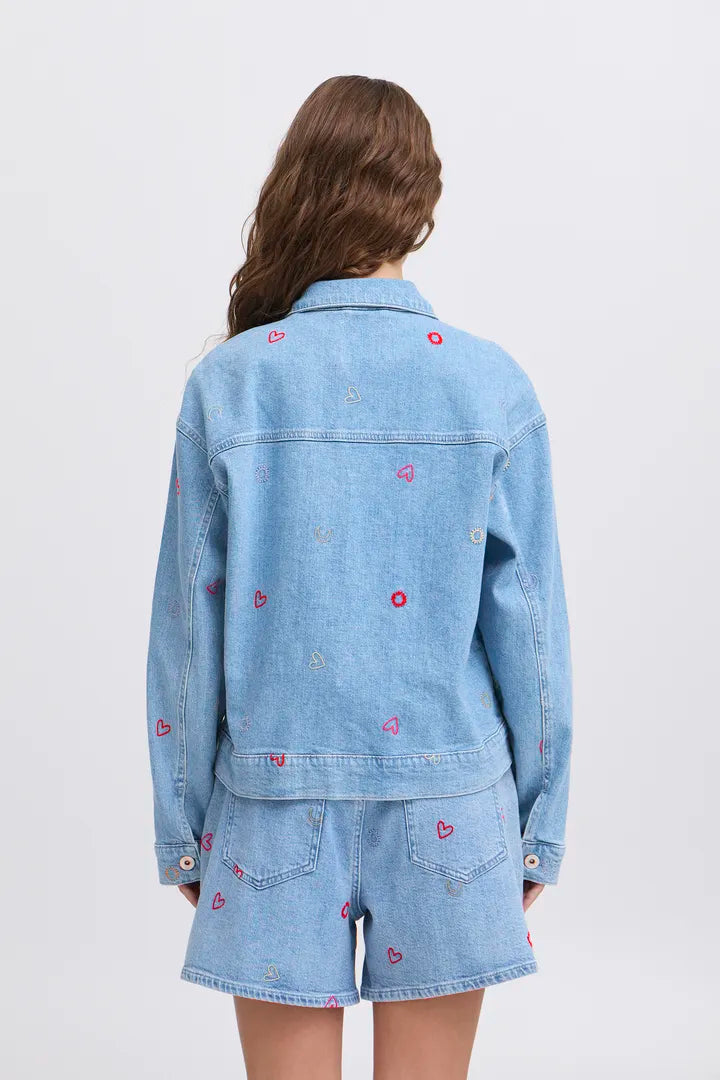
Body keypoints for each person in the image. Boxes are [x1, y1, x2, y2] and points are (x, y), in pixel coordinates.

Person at [145, 74, 573, 1080]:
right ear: (421, 202)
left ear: (297, 186)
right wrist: (537, 824)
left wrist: (186, 828)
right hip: (451, 801)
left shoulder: (232, 384)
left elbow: (186, 632)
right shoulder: (488, 383)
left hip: (271, 802)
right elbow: (532, 629)